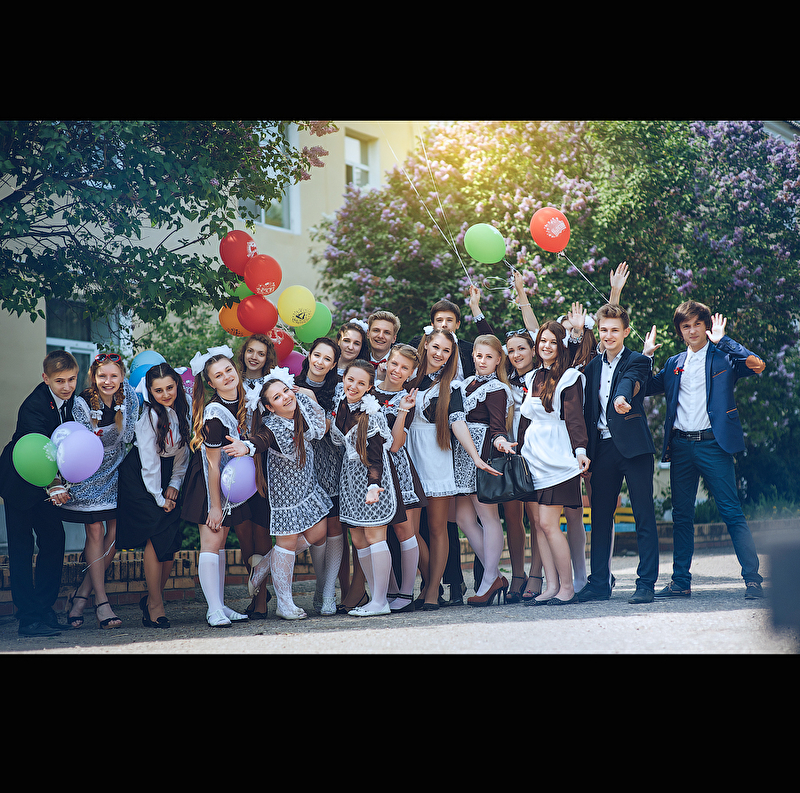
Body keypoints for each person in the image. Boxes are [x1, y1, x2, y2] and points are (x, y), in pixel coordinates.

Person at [644, 301, 766, 599]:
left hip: (714, 444)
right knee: (682, 516)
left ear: (706, 326)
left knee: (731, 512)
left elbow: (758, 365)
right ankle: (680, 582)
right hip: (681, 446)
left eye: (698, 324)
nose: (692, 330)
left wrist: (724, 341)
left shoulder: (724, 357)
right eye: (686, 326)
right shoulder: (674, 363)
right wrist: (646, 357)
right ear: (680, 332)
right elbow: (644, 387)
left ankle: (753, 580)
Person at [404, 329, 501, 609]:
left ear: (451, 356)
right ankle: (428, 581)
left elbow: (457, 422)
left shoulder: (452, 386)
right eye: (436, 347)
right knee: (408, 530)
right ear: (426, 345)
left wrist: (476, 457)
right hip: (409, 455)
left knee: (438, 528)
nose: (439, 354)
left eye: (446, 350)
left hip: (437, 456)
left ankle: (432, 591)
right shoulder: (408, 377)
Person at [577, 304, 660, 604]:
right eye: (604, 330)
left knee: (643, 516)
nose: (609, 335)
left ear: (626, 332)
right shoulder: (591, 368)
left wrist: (622, 398)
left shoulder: (638, 359)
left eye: (615, 330)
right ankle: (599, 582)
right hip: (603, 449)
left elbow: (630, 382)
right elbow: (588, 412)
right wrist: (586, 452)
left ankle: (646, 583)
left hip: (634, 448)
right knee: (600, 517)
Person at [180, 345, 268, 627]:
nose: (226, 376)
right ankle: (213, 610)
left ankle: (220, 605)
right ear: (211, 383)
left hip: (232, 484)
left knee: (219, 545)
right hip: (211, 484)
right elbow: (213, 466)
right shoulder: (214, 414)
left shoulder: (247, 401)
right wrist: (215, 506)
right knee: (211, 542)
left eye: (229, 370)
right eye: (218, 375)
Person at [242, 368, 337, 619]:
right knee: (287, 543)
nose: (285, 397)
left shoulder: (301, 407)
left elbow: (321, 426)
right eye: (277, 397)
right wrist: (246, 446)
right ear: (269, 407)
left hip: (306, 486)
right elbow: (261, 440)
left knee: (318, 532)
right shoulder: (272, 426)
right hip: (285, 494)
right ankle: (285, 604)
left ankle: (262, 566)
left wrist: (305, 393)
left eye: (285, 391)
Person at [0, 350, 79, 636]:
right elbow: (38, 451)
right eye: (60, 381)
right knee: (21, 548)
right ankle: (28, 619)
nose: (67, 386)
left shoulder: (72, 402)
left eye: (71, 379)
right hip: (20, 481)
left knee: (54, 539)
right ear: (46, 378)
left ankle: (45, 609)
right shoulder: (33, 406)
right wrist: (54, 484)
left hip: (46, 480)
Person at [61, 352, 139, 629]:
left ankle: (81, 594)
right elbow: (84, 444)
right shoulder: (81, 403)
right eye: (102, 376)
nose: (108, 381)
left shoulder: (129, 398)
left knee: (116, 533)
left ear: (122, 377)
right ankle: (102, 602)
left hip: (116, 470)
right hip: (88, 472)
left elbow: (130, 436)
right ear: (93, 377)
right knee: (95, 531)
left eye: (114, 376)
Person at [519, 321, 590, 605]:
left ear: (561, 346)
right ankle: (551, 586)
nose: (546, 346)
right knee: (538, 525)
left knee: (549, 524)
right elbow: (526, 419)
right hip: (533, 457)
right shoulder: (532, 376)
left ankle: (567, 587)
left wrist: (581, 451)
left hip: (558, 458)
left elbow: (575, 419)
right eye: (542, 341)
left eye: (552, 342)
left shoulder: (571, 377)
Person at [116, 363, 191, 627]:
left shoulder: (185, 408)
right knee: (157, 530)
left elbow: (183, 452)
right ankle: (155, 604)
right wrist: (160, 497)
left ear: (177, 385)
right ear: (150, 391)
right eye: (158, 390)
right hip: (140, 477)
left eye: (170, 387)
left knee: (170, 538)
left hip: (167, 474)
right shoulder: (148, 417)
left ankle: (151, 599)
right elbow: (149, 463)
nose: (165, 394)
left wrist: (175, 484)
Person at [331, 360, 406, 616]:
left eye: (361, 383)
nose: (354, 386)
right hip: (349, 479)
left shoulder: (371, 413)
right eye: (350, 380)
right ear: (344, 379)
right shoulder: (341, 404)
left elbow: (376, 456)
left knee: (375, 537)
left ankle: (380, 601)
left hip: (372, 479)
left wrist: (373, 485)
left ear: (369, 387)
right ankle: (375, 598)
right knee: (358, 539)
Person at [452, 335, 517, 606]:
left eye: (489, 357)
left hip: (484, 454)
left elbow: (498, 426)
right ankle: (497, 576)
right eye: (479, 355)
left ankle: (489, 578)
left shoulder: (498, 389)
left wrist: (501, 442)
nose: (482, 361)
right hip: (462, 455)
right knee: (463, 518)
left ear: (498, 360)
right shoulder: (465, 383)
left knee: (488, 517)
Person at [375, 344, 427, 612]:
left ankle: (406, 593)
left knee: (404, 530)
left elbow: (396, 445)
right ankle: (388, 591)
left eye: (405, 368)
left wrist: (403, 410)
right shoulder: (368, 389)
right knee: (376, 531)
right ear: (386, 362)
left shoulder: (406, 399)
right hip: (369, 469)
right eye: (394, 363)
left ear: (411, 373)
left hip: (397, 470)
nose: (397, 370)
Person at [504, 329, 550, 603]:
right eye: (511, 350)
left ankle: (536, 575)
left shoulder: (544, 378)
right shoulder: (504, 380)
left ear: (533, 350)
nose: (516, 354)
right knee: (512, 517)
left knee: (536, 519)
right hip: (510, 452)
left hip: (535, 454)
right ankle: (517, 574)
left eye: (521, 348)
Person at [234, 334, 278, 619]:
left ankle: (261, 601)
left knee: (261, 532)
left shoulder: (272, 385)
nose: (254, 357)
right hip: (235, 464)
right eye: (250, 351)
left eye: (260, 353)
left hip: (263, 463)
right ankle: (255, 590)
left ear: (267, 358)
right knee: (242, 533)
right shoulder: (232, 381)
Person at [366, 310, 401, 379]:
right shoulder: (358, 361)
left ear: (394, 339)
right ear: (368, 333)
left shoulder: (400, 365)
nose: (380, 336)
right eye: (376, 330)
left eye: (386, 332)